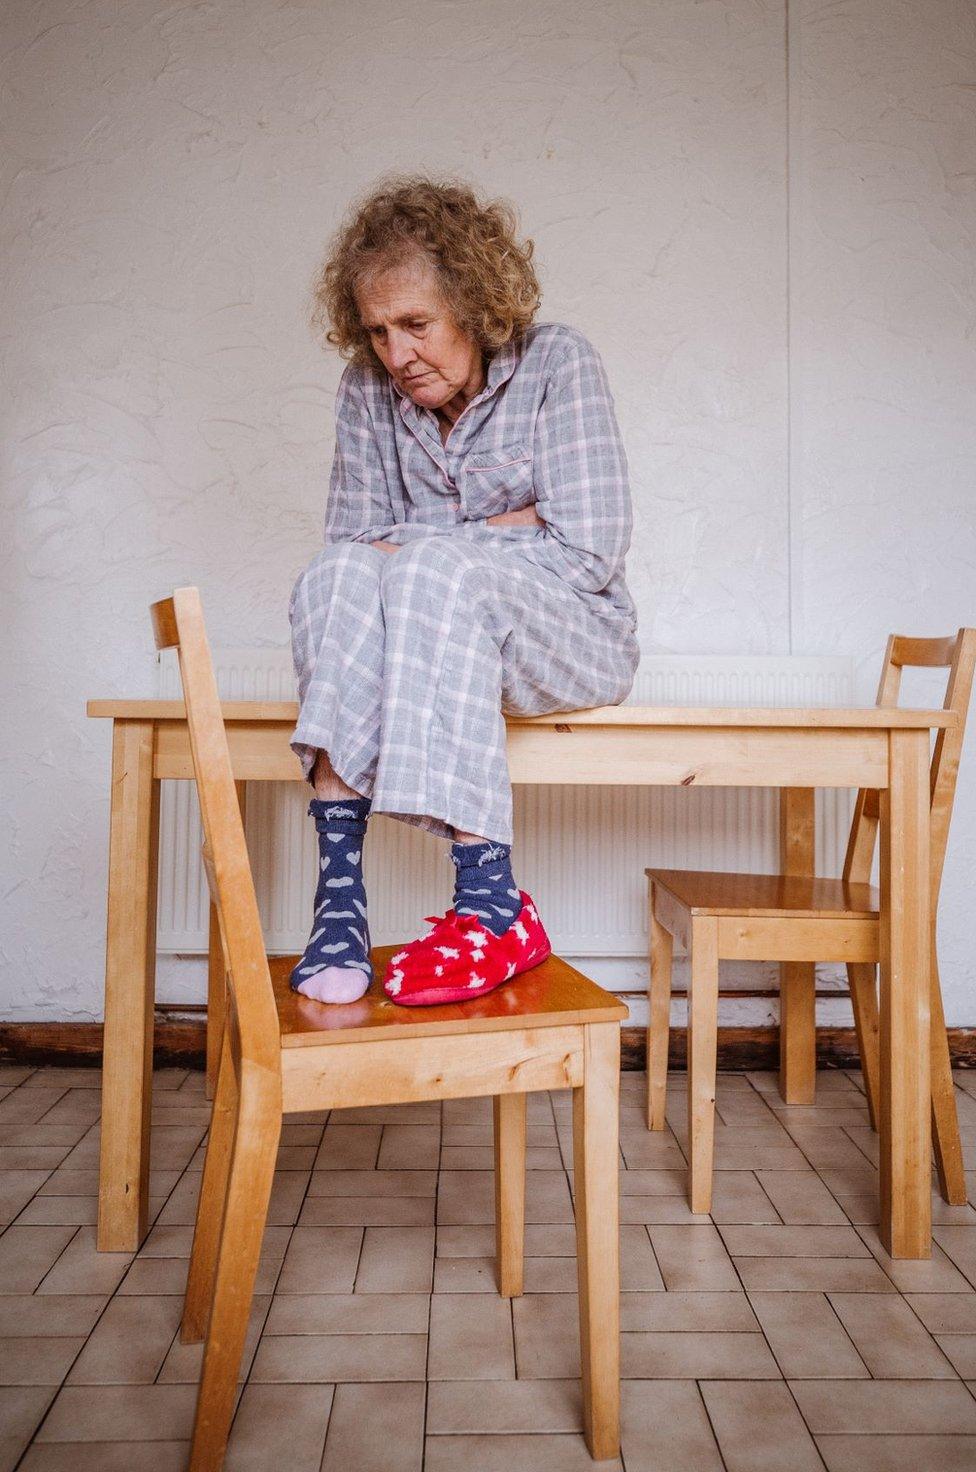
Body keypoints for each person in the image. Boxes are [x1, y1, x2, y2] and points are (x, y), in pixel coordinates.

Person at [288, 173, 641, 1006]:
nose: (397, 353)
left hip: (573, 636)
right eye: (378, 331)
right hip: (436, 641)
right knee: (335, 573)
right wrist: (508, 525)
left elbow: (588, 550)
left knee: (423, 565)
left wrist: (422, 547)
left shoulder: (558, 362)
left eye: (416, 324)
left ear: (474, 307)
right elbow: (353, 551)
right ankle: (340, 902)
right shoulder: (366, 391)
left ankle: (488, 898)